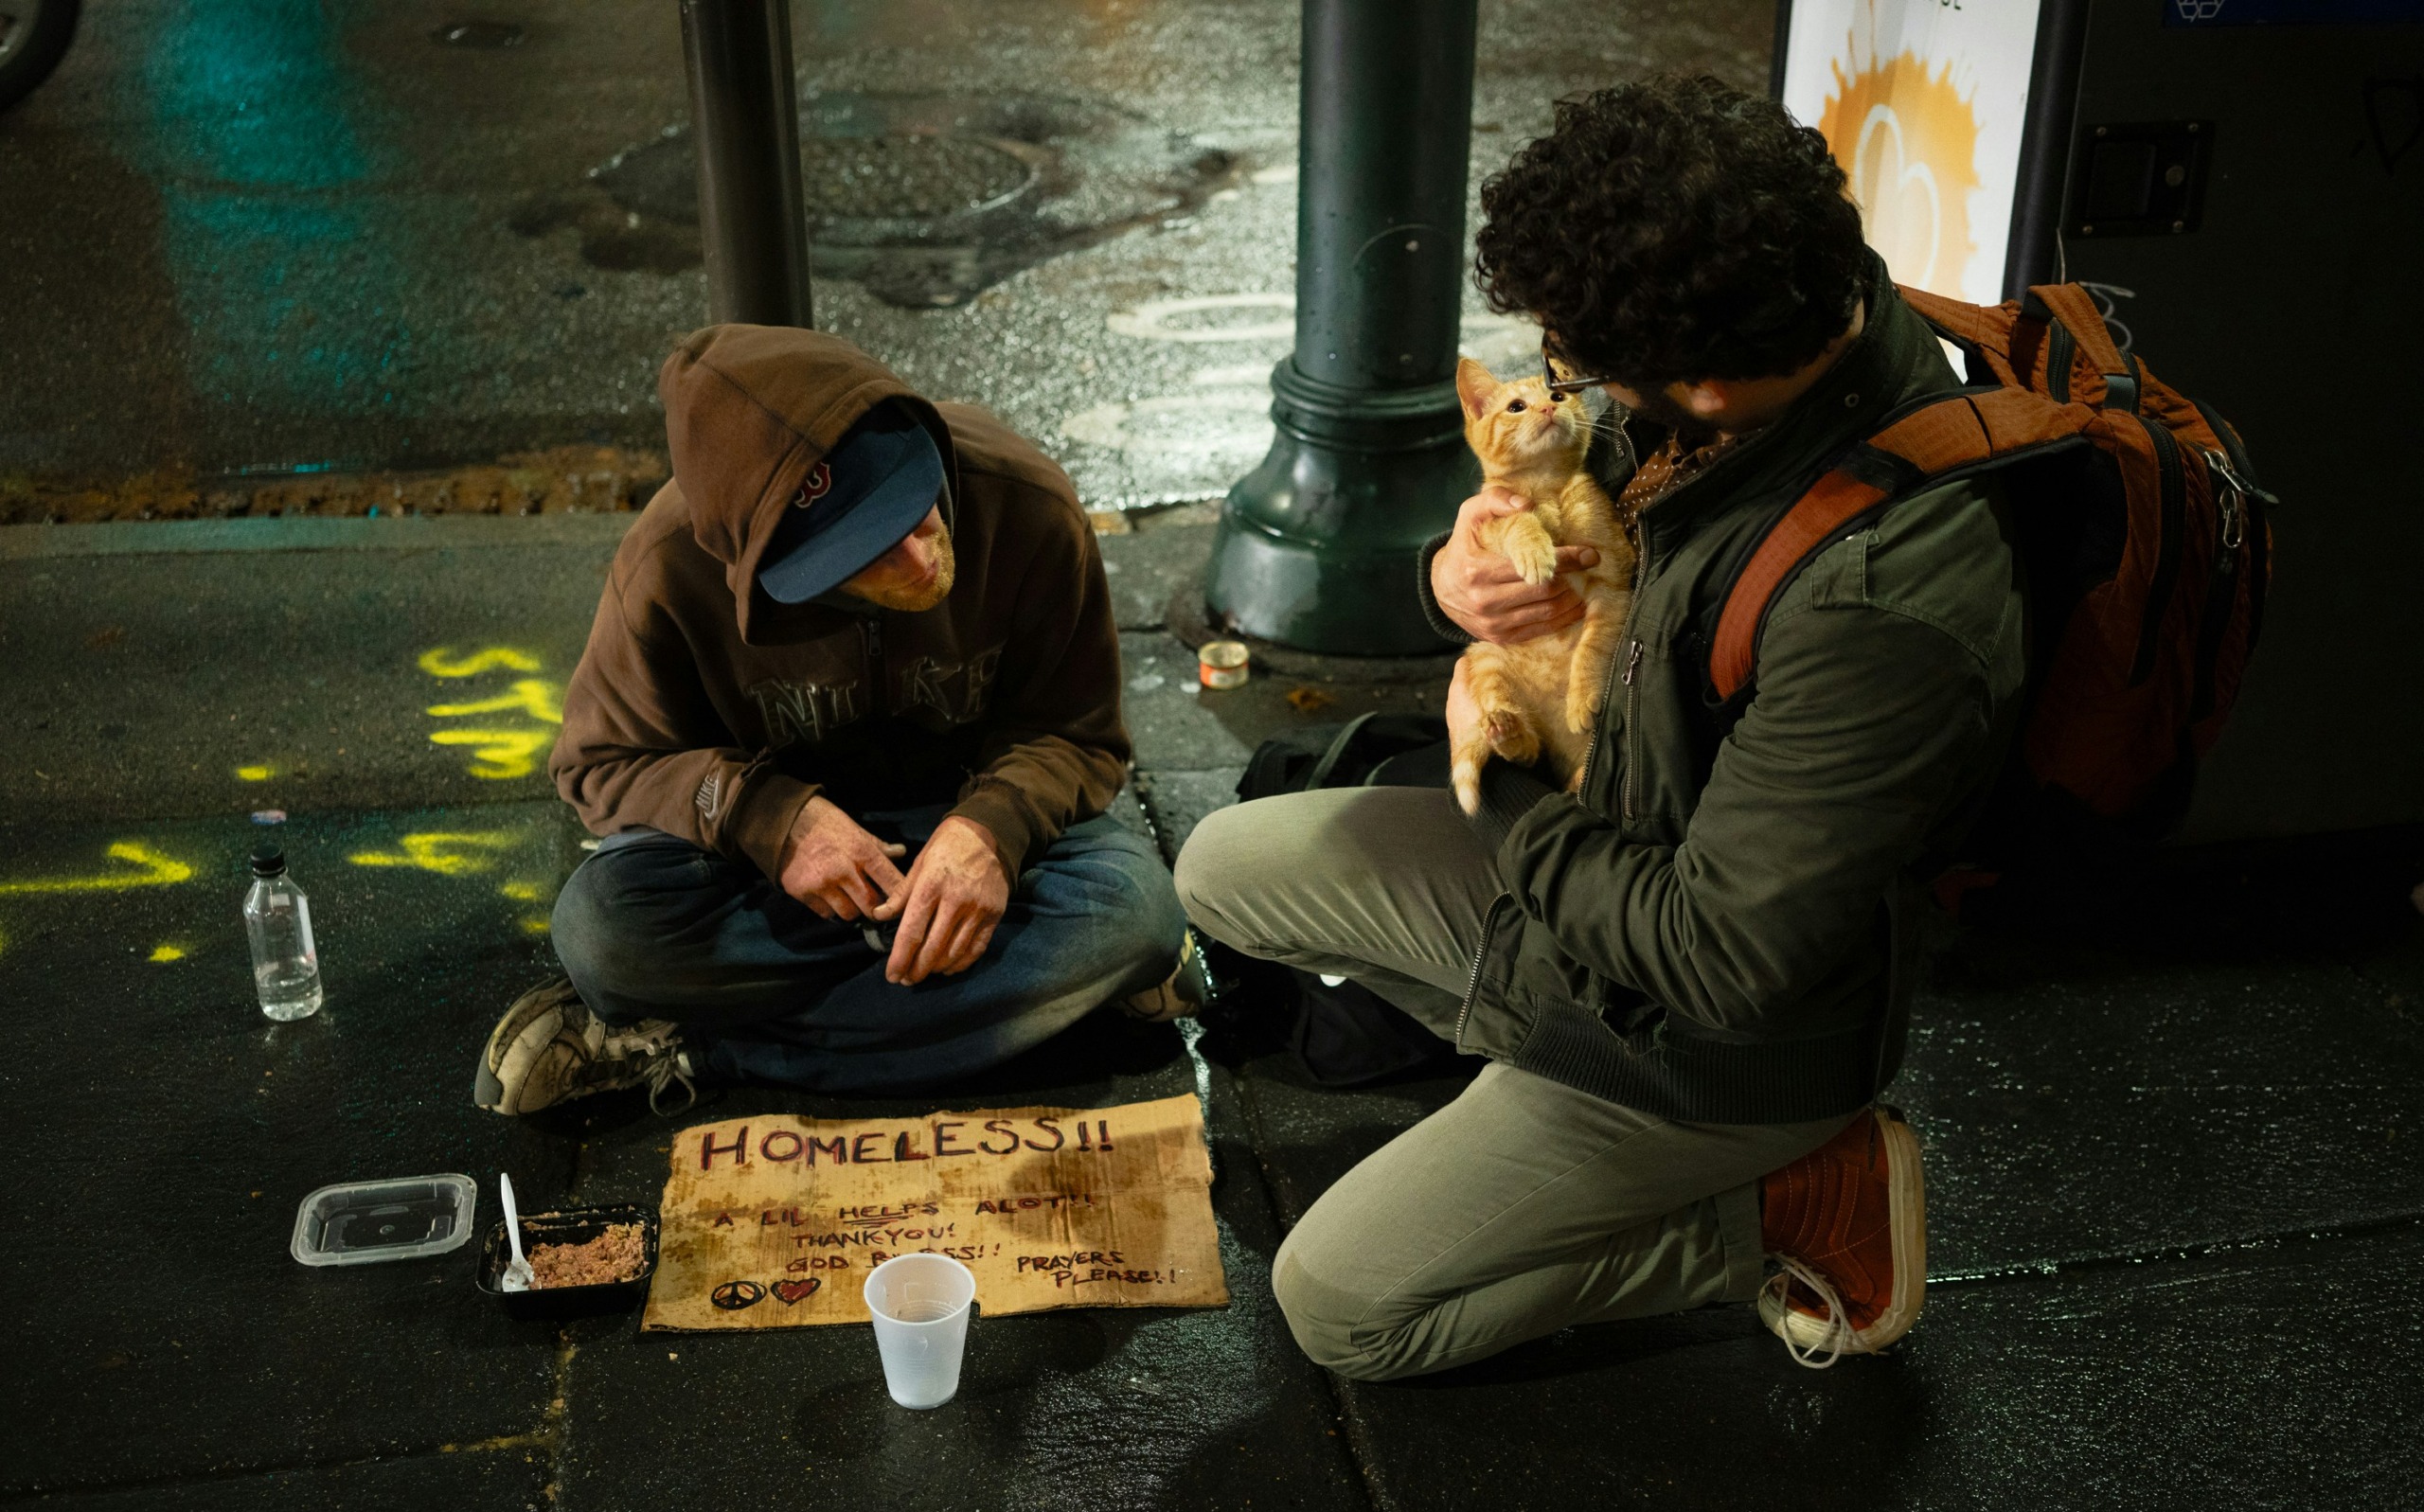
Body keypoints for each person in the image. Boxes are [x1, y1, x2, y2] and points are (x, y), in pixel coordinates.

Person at [1178, 75, 2024, 1376]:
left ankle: (1779, 1206)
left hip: (1720, 1039)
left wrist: (1494, 772)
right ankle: (1534, 1088)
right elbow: (1558, 534)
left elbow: (1717, 958)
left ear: (1697, 380)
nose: (1571, 393)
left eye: (1581, 370)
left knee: (1344, 1310)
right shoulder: (1767, 323)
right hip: (1604, 849)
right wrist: (1453, 578)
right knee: (1219, 871)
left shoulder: (1883, 603)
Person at [475, 325, 1190, 1117]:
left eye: (917, 511)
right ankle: (1029, 1011)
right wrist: (764, 815)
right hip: (767, 875)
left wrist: (992, 829)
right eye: (870, 553)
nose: (923, 562)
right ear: (773, 568)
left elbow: (1077, 733)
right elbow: (597, 765)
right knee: (604, 933)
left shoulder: (1027, 500)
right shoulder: (670, 564)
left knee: (1139, 915)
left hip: (971, 823)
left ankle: (696, 1049)